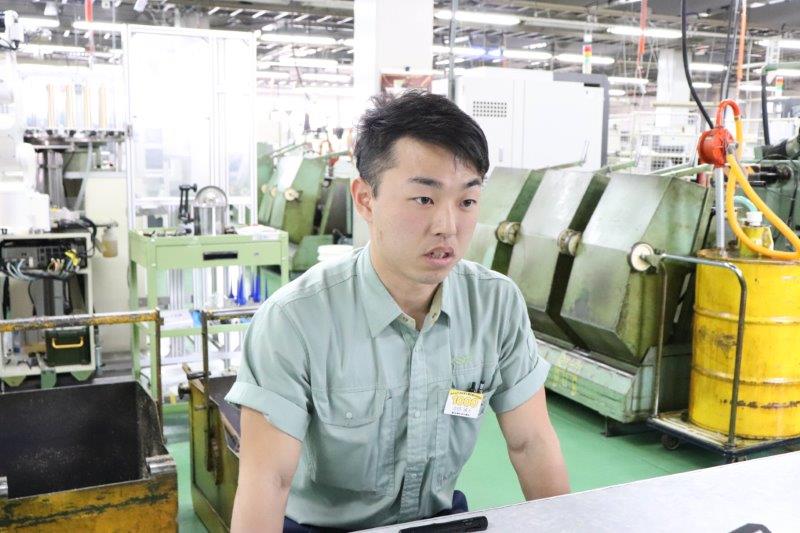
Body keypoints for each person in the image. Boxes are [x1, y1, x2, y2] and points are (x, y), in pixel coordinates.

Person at [226, 91, 569, 532]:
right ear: (365, 199)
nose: (448, 226)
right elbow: (268, 481)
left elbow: (531, 442)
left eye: (466, 201)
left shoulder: (495, 305)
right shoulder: (294, 320)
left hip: (437, 520)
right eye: (424, 199)